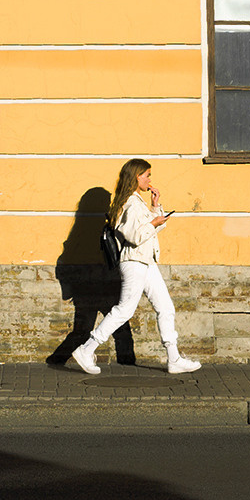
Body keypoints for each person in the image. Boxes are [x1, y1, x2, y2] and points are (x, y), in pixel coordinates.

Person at [71, 158, 201, 375]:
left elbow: (149, 231)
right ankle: (86, 349)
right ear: (135, 176)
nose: (150, 179)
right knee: (124, 310)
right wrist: (153, 222)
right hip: (134, 262)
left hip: (146, 261)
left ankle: (174, 358)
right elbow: (134, 235)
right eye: (146, 175)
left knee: (166, 308)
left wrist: (156, 207)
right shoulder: (130, 203)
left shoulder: (137, 202)